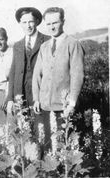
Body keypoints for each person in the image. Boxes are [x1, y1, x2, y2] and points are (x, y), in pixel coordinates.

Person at [32, 7, 84, 153]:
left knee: (65, 150)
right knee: (48, 148)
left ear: (63, 22)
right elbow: (37, 74)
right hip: (45, 107)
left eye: (55, 22)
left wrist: (72, 103)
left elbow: (77, 75)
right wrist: (36, 98)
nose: (52, 27)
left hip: (64, 108)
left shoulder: (73, 44)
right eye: (48, 24)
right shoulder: (44, 47)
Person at [7, 7, 50, 114]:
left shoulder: (47, 41)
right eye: (24, 22)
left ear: (37, 21)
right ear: (20, 24)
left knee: (42, 128)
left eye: (31, 21)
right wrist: (10, 98)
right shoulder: (17, 45)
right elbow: (13, 73)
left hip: (41, 95)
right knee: (24, 128)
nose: (28, 25)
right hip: (21, 96)